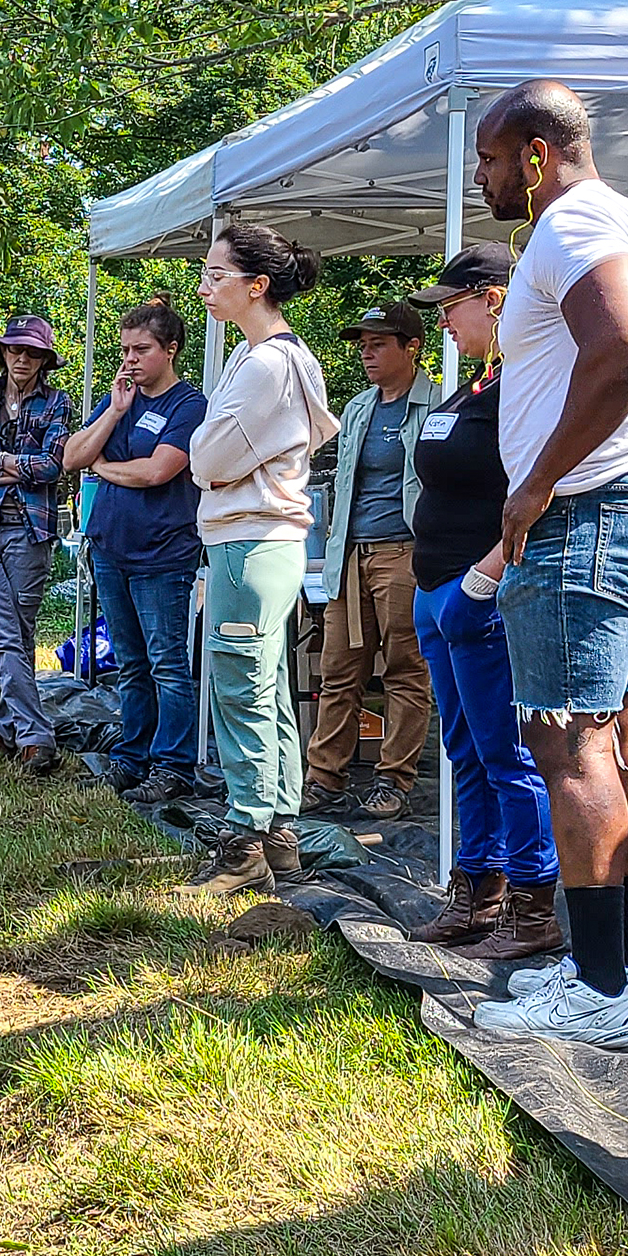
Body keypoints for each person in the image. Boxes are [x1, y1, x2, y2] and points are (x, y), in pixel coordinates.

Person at [466, 79, 628, 1046]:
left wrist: (541, 482)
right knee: (621, 736)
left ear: (536, 154)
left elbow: (625, 348)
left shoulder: (572, 225)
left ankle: (603, 993)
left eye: (490, 161)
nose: (485, 180)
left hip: (589, 516)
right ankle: (626, 964)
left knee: (569, 743)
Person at [403, 243, 563, 960]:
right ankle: (478, 890)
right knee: (465, 749)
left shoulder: (526, 386)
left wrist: (482, 581)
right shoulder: (474, 386)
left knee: (507, 752)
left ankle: (533, 907)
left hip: (480, 592)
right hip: (436, 591)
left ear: (493, 299)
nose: (442, 324)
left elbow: (540, 487)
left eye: (449, 307)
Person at [181, 223, 339, 898]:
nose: (204, 286)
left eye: (217, 274)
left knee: (242, 686)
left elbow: (207, 458)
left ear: (258, 285)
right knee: (265, 684)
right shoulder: (278, 356)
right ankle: (278, 832)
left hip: (250, 542)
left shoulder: (268, 362)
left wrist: (209, 467)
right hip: (265, 541)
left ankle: (245, 838)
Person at [61, 298, 207, 801]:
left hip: (162, 555)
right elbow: (70, 457)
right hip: (110, 549)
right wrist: (115, 412)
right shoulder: (120, 399)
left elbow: (157, 471)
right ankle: (132, 755)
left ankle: (174, 767)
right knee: (130, 661)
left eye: (141, 349)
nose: (130, 359)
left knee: (167, 662)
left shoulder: (189, 406)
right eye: (124, 349)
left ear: (170, 349)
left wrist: (102, 468)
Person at [303, 302, 439, 821]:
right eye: (362, 343)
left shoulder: (437, 406)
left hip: (404, 552)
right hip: (349, 554)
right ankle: (325, 777)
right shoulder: (359, 406)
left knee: (406, 672)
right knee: (339, 669)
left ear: (412, 347)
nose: (366, 352)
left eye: (378, 343)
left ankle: (393, 780)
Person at [0, 315, 73, 775]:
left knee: (18, 632)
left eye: (31, 352)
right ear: (2, 354)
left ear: (44, 359)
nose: (21, 358)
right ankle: (36, 736)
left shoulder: (58, 403)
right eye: (13, 350)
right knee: (5, 632)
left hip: (31, 528)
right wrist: (19, 465)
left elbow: (53, 467)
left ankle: (5, 727)